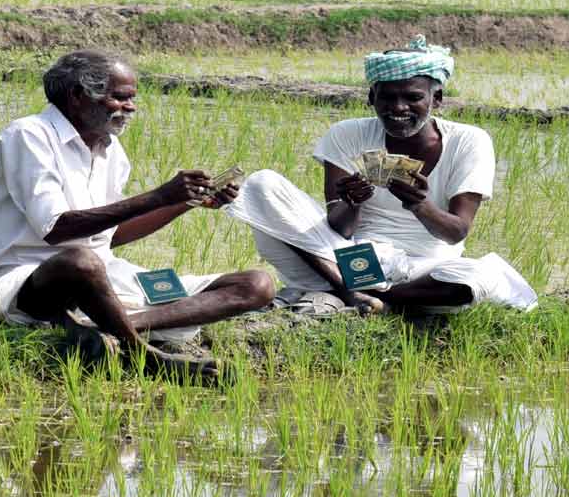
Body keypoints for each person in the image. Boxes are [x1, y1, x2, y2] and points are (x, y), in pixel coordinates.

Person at [0, 50, 275, 379]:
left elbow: (111, 235)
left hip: (102, 279)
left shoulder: (111, 150)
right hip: (31, 281)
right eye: (120, 98)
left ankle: (113, 324)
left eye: (132, 98)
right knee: (81, 260)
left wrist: (184, 202)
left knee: (256, 285)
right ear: (77, 96)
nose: (130, 107)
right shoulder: (29, 136)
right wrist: (159, 195)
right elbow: (56, 229)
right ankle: (144, 355)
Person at [225, 35, 537, 315]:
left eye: (413, 97)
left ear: (436, 99)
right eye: (387, 97)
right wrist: (352, 204)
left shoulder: (470, 141)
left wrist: (420, 206)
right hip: (346, 259)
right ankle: (352, 291)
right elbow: (340, 228)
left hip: (427, 266)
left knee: (476, 280)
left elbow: (456, 232)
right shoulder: (346, 134)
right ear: (371, 98)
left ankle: (370, 296)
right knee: (262, 184)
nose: (398, 107)